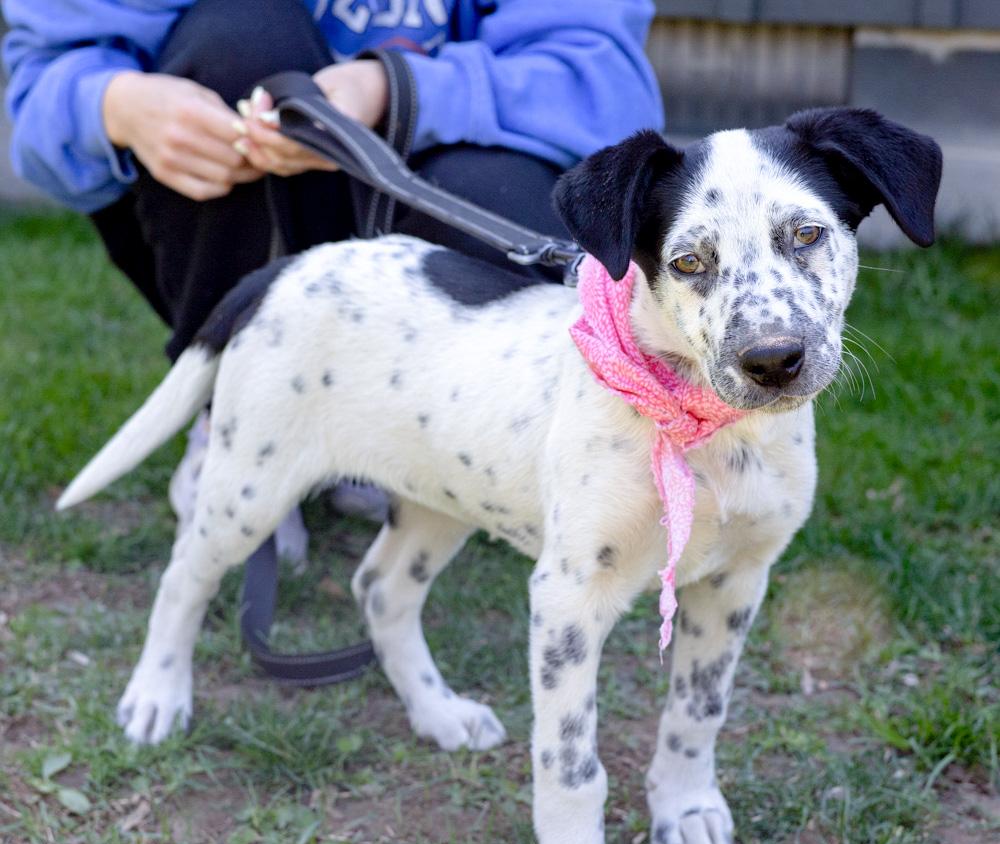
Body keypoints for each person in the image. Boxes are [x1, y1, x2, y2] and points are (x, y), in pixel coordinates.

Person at [3, 0, 664, 543]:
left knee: (492, 181)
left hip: (429, 179)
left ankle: (410, 438)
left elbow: (602, 85)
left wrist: (394, 89)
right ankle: (236, 414)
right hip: (230, 203)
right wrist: (115, 105)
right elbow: (40, 91)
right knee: (237, 44)